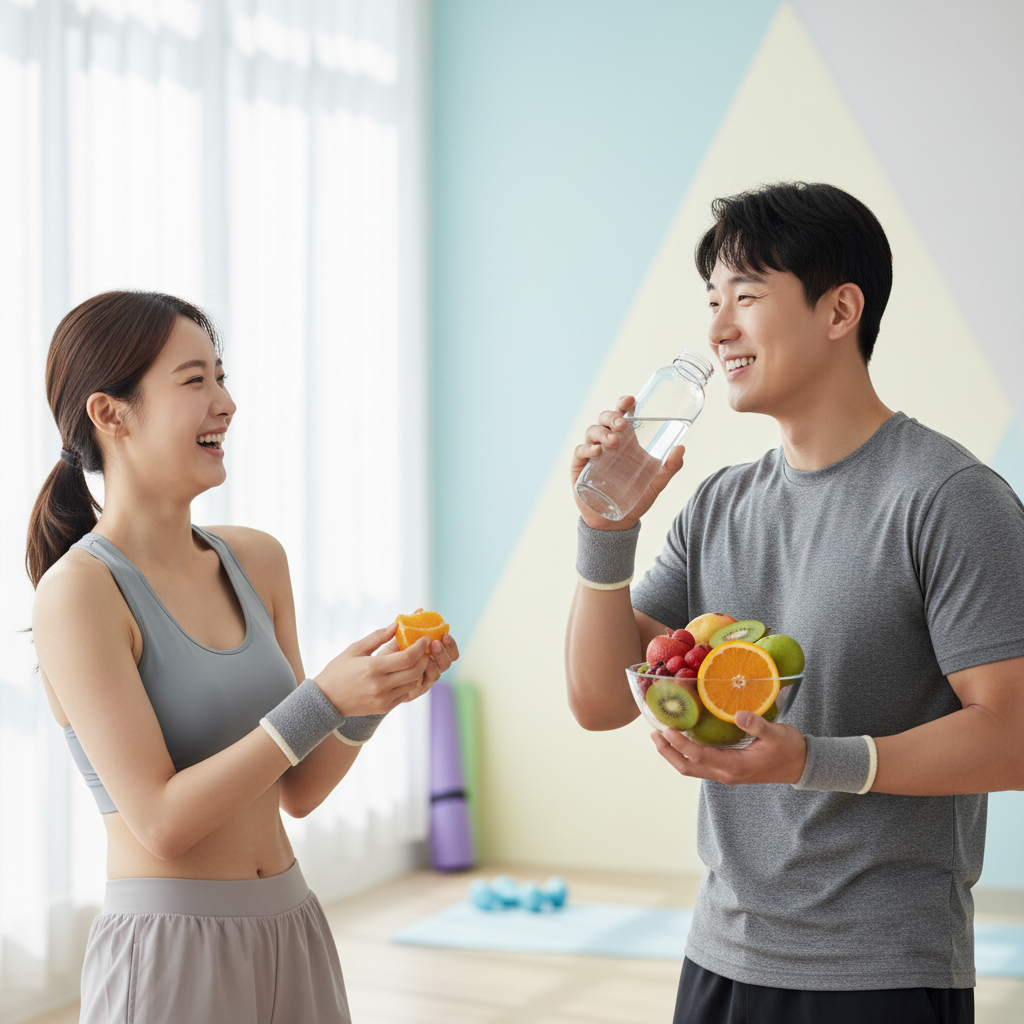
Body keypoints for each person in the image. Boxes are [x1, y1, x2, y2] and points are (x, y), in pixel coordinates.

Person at [565, 182, 1024, 1024]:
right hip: (720, 952)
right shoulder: (717, 506)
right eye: (711, 300)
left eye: (746, 295)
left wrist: (813, 759)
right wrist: (604, 530)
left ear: (840, 310)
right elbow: (601, 701)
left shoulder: (951, 497)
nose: (717, 329)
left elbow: (1015, 735)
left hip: (881, 971)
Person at [27, 291, 459, 1024]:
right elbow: (160, 823)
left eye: (221, 377)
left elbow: (299, 790)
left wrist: (371, 700)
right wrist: (323, 698)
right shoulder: (80, 593)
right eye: (195, 381)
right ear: (111, 414)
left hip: (292, 921)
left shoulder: (256, 559)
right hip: (170, 950)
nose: (226, 402)